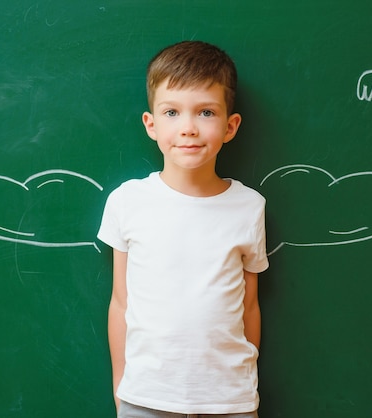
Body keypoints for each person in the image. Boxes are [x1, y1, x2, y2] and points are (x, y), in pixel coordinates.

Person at [97, 41, 269, 417]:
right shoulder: (128, 202)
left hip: (229, 400)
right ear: (151, 124)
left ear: (230, 125)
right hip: (146, 396)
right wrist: (120, 386)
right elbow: (121, 303)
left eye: (206, 112)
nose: (188, 128)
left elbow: (250, 304)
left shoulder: (249, 207)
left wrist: (245, 382)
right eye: (172, 112)